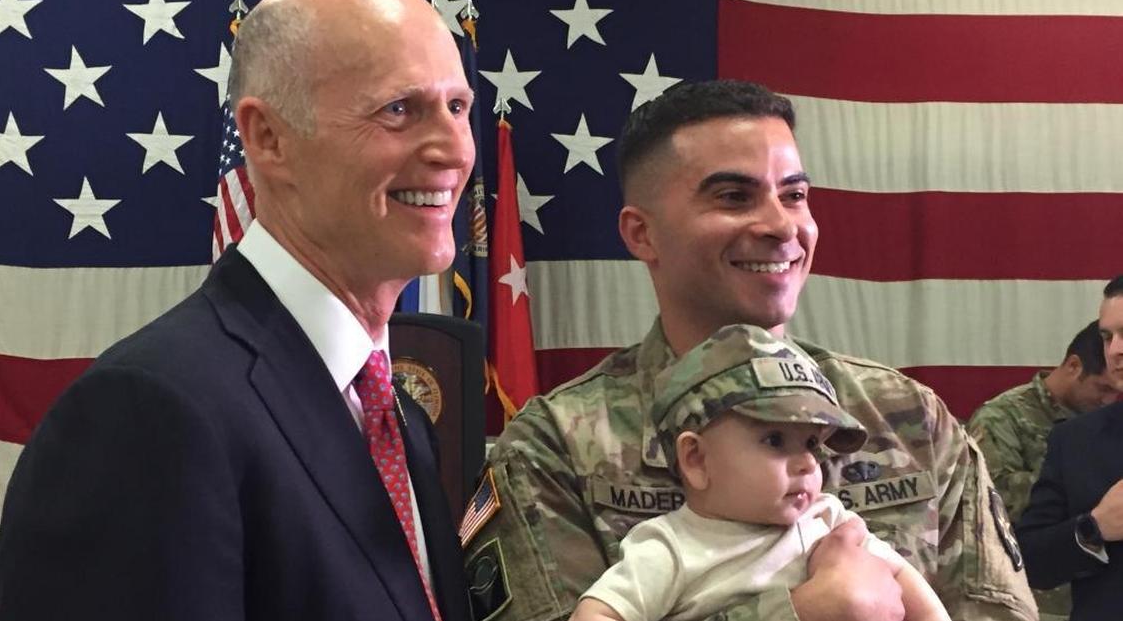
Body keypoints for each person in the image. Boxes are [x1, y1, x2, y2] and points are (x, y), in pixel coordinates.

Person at [460, 80, 1036, 621]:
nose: (782, 226)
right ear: (642, 233)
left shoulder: (908, 416)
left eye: (795, 195)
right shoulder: (555, 446)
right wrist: (805, 611)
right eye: (735, 196)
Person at [0, 0, 475, 620]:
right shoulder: (148, 416)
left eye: (459, 106)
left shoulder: (399, 419)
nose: (454, 149)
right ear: (269, 139)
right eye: (397, 110)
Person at [569, 324, 950, 621]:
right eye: (774, 440)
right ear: (697, 460)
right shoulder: (669, 549)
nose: (807, 463)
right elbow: (599, 611)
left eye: (812, 444)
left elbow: (899, 575)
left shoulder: (828, 518)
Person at [967, 320, 1117, 620]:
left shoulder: (1104, 427)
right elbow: (993, 501)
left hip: (1091, 588)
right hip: (1032, 591)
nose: (1109, 399)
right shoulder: (1001, 417)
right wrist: (1090, 493)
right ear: (1074, 366)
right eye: (1102, 388)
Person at [1017, 275, 1123, 621]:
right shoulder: (1076, 440)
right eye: (1108, 336)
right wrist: (1093, 528)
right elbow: (1030, 559)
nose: (1115, 350)